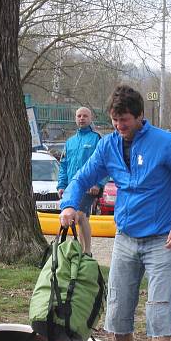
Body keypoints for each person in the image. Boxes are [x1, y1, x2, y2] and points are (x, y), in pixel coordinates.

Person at [59, 85, 171, 341]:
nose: (119, 126)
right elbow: (81, 178)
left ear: (139, 116)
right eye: (114, 120)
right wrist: (68, 203)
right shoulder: (108, 145)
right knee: (117, 311)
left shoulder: (167, 143)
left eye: (124, 120)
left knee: (159, 310)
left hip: (162, 239)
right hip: (125, 239)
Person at [57, 107, 104, 255]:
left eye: (85, 116)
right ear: (75, 118)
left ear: (91, 119)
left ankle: (87, 251)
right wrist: (62, 185)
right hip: (72, 187)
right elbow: (64, 165)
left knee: (81, 215)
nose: (81, 118)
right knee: (79, 218)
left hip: (90, 186)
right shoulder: (70, 141)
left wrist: (98, 183)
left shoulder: (97, 138)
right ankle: (82, 251)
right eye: (79, 116)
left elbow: (104, 163)